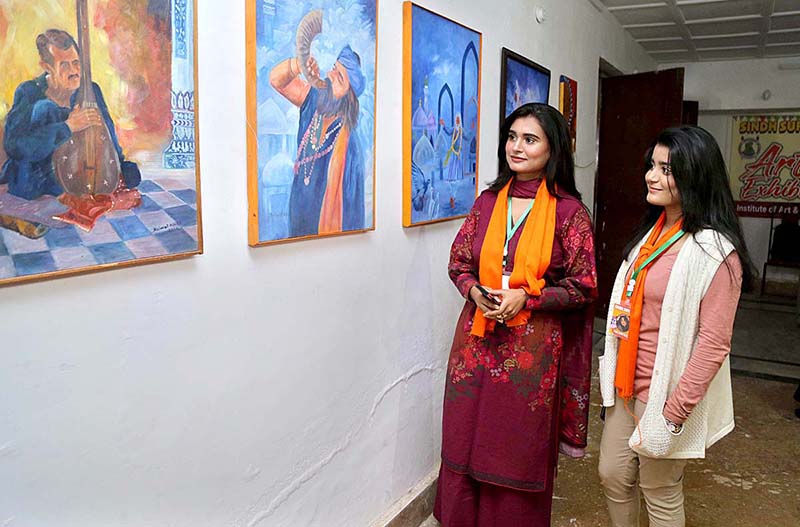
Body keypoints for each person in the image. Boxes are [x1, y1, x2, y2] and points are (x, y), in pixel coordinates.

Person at [434, 103, 598, 526]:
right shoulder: (488, 202)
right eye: (512, 137)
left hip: (531, 356)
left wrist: (529, 298)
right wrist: (473, 289)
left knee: (513, 446)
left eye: (530, 139)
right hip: (475, 343)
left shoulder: (570, 214)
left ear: (553, 148)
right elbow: (458, 262)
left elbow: (584, 286)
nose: (517, 147)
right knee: (465, 438)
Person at [598, 126, 756, 527]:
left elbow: (713, 344)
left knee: (660, 489)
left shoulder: (716, 253)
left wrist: (673, 415)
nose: (651, 176)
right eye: (651, 165)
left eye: (666, 169)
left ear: (695, 175)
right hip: (625, 385)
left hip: (666, 394)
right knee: (612, 475)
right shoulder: (649, 237)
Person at [1, 29, 140, 201]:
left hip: (77, 176)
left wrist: (119, 166)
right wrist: (68, 127)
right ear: (47, 67)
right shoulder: (29, 92)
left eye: (76, 63)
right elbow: (15, 146)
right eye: (64, 65)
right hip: (34, 180)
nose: (74, 71)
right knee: (44, 108)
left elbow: (108, 132)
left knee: (130, 176)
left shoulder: (90, 90)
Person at [270, 45, 365, 237]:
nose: (330, 76)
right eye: (333, 68)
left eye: (339, 78)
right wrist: (299, 65)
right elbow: (276, 80)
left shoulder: (350, 147)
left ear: (350, 96)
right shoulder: (313, 98)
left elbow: (352, 217)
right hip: (297, 224)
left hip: (326, 237)